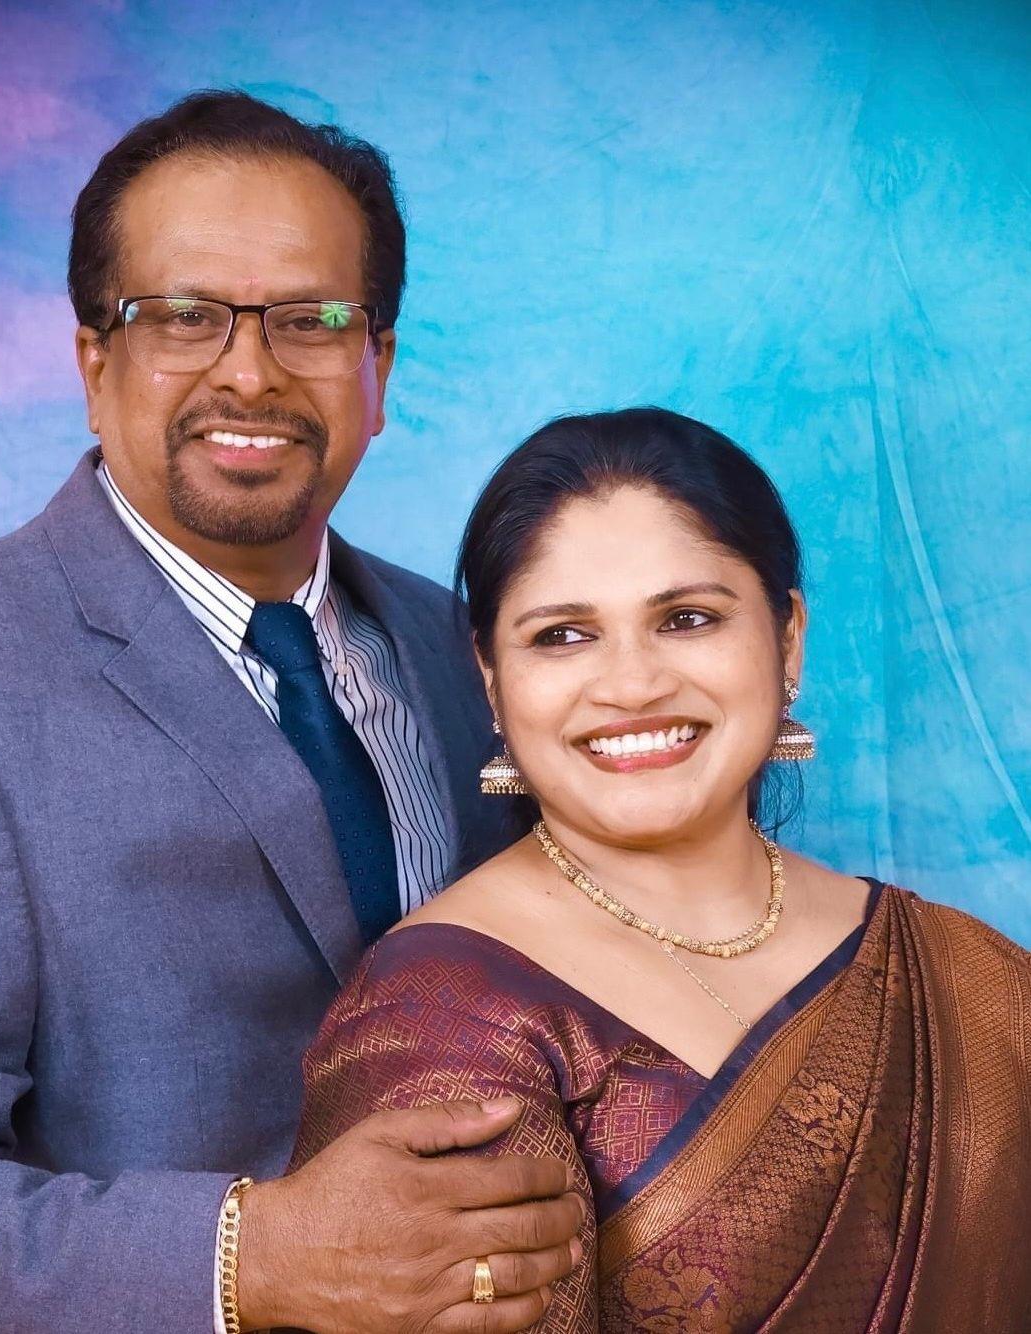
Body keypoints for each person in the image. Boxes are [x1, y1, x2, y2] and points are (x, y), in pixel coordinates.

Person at [0, 92, 585, 1334]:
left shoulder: (469, 652)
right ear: (94, 362)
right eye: (183, 316)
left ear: (378, 369)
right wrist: (255, 1257)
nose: (249, 369)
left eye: (311, 320)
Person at [291, 407, 1031, 1331]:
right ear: (489, 678)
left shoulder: (971, 976)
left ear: (787, 639)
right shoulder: (441, 1016)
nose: (632, 684)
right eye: (563, 635)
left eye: (687, 619)